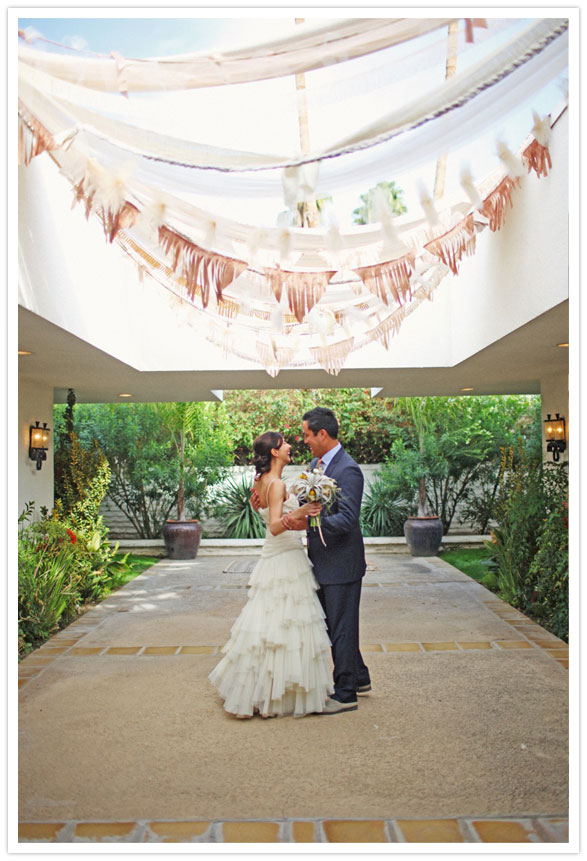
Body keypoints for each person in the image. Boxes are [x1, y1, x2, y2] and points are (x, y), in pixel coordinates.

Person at [208, 431, 334, 718]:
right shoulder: (275, 484)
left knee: (270, 622)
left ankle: (265, 686)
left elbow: (268, 514)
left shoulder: (261, 481)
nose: (291, 446)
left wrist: (303, 511)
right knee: (290, 623)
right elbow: (276, 526)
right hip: (285, 557)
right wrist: (303, 510)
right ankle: (281, 691)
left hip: (276, 554)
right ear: (275, 452)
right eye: (285, 443)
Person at [280, 407, 371, 715]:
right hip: (321, 560)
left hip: (342, 563)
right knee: (335, 625)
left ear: (322, 434)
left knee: (342, 627)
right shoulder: (315, 464)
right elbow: (308, 503)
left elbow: (347, 519)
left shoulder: (348, 470)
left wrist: (310, 526)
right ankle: (359, 677)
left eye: (307, 434)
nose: (303, 440)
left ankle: (346, 694)